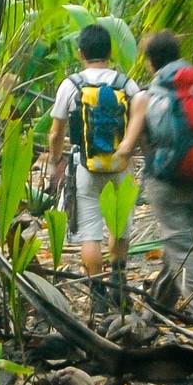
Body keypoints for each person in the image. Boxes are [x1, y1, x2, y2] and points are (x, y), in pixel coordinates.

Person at [117, 29, 193, 328]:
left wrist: (113, 158)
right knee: (180, 241)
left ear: (149, 61)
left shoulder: (147, 95)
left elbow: (129, 146)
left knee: (180, 246)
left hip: (165, 179)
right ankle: (158, 305)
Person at [45, 24, 142, 304]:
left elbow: (55, 133)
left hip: (84, 167)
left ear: (81, 53)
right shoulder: (126, 84)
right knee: (119, 225)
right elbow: (138, 123)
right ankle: (119, 283)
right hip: (121, 166)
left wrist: (55, 161)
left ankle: (97, 292)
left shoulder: (71, 85)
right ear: (110, 52)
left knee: (91, 232)